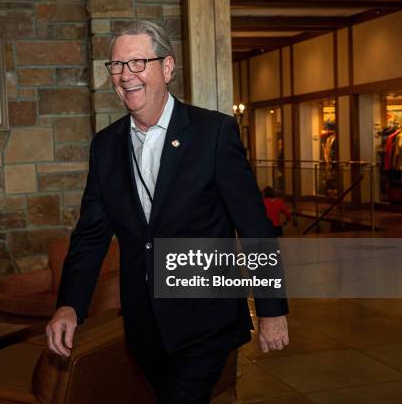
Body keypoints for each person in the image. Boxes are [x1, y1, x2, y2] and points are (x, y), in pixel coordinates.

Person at [46, 20, 289, 403]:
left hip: (206, 321)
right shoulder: (106, 146)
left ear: (168, 68)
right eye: (117, 65)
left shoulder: (214, 134)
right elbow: (92, 234)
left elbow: (254, 225)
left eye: (138, 62)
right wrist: (69, 305)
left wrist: (272, 309)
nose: (126, 76)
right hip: (144, 328)